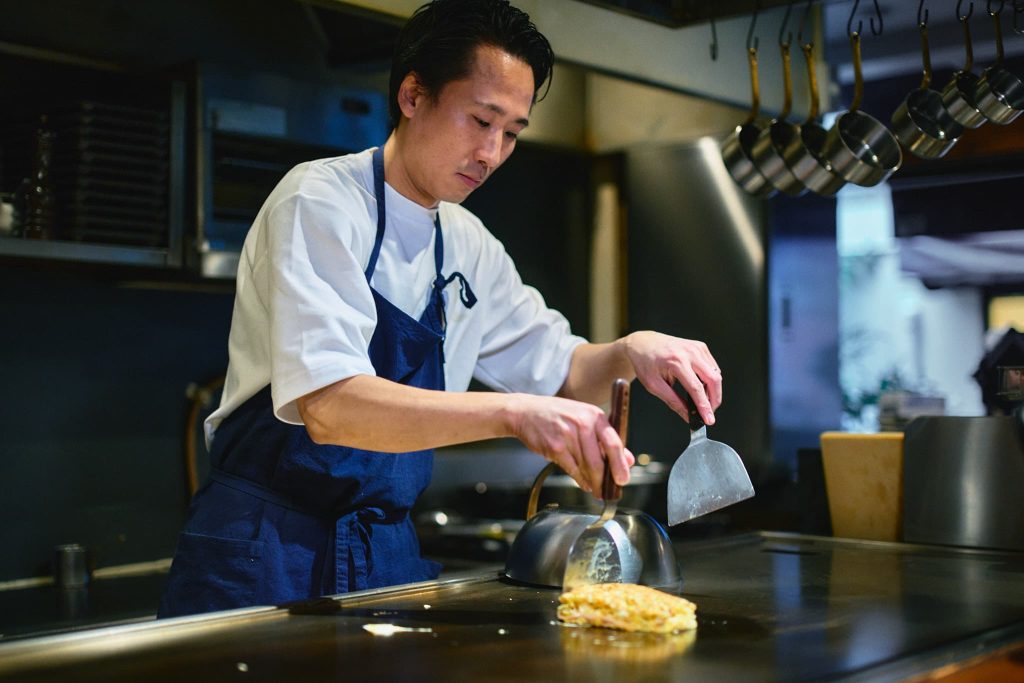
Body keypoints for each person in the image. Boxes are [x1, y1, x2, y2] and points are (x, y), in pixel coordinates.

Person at [158, 0, 722, 618]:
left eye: (511, 132)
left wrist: (627, 351)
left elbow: (565, 373)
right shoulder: (319, 200)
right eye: (481, 120)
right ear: (412, 95)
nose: (492, 153)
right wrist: (514, 414)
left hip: (384, 556)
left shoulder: (466, 241)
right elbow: (329, 406)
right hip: (266, 551)